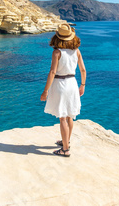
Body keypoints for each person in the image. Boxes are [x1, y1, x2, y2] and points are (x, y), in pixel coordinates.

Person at [40, 23, 86, 157]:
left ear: (57, 37)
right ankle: (67, 141)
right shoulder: (76, 51)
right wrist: (82, 85)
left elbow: (52, 72)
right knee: (70, 115)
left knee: (62, 118)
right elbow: (83, 70)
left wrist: (46, 91)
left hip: (61, 85)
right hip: (72, 83)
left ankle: (65, 149)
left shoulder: (57, 52)